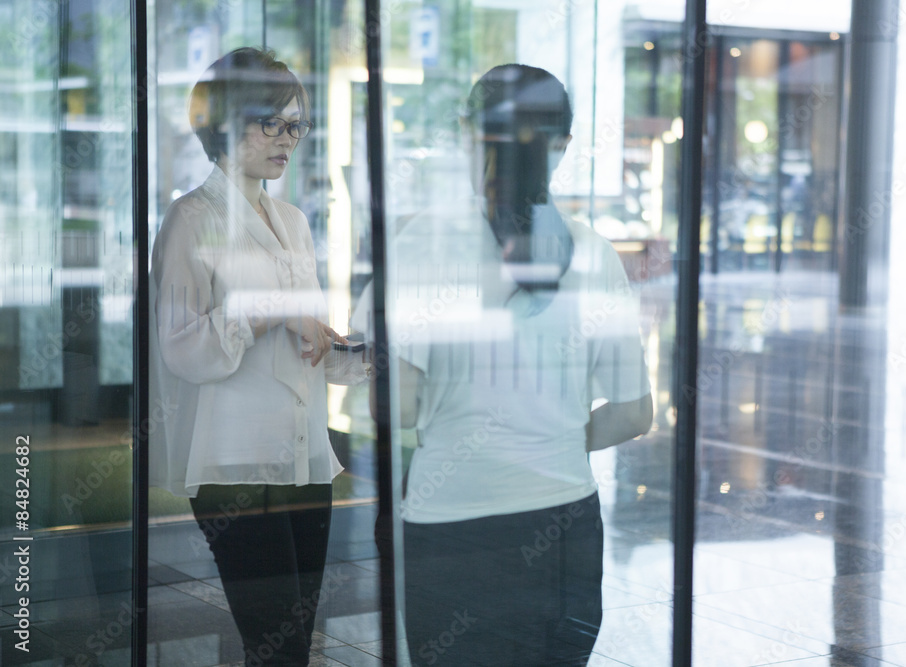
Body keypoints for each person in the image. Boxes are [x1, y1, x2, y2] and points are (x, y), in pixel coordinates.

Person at [360, 64, 652, 666]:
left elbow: (399, 408)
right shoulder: (594, 253)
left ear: (468, 131)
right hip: (567, 525)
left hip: (454, 522)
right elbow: (633, 414)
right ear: (562, 144)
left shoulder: (419, 245)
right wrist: (553, 439)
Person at [149, 47, 368, 666]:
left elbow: (307, 343)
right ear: (223, 123)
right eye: (271, 122)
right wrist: (272, 307)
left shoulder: (292, 220)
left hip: (304, 458)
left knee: (293, 646)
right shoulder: (191, 219)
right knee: (277, 648)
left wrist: (365, 353)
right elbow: (184, 350)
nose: (287, 139)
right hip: (235, 465)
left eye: (296, 125)